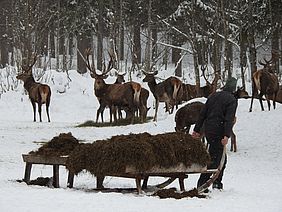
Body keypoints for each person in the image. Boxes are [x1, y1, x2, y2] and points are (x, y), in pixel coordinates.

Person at [192, 77, 238, 191]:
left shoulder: (213, 95)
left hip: (209, 130)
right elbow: (229, 119)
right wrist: (226, 135)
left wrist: (196, 130)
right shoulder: (232, 100)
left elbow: (203, 114)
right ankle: (203, 184)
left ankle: (217, 182)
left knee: (222, 158)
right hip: (219, 131)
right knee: (215, 158)